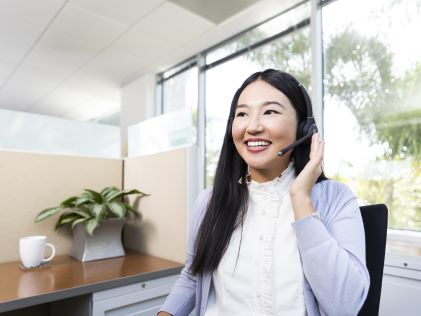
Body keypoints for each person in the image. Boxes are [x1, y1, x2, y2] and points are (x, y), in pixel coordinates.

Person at [157, 69, 369, 316]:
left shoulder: (335, 198)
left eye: (270, 111)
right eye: (242, 114)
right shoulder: (209, 201)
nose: (253, 126)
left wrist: (301, 198)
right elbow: (193, 277)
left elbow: (345, 306)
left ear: (304, 127)